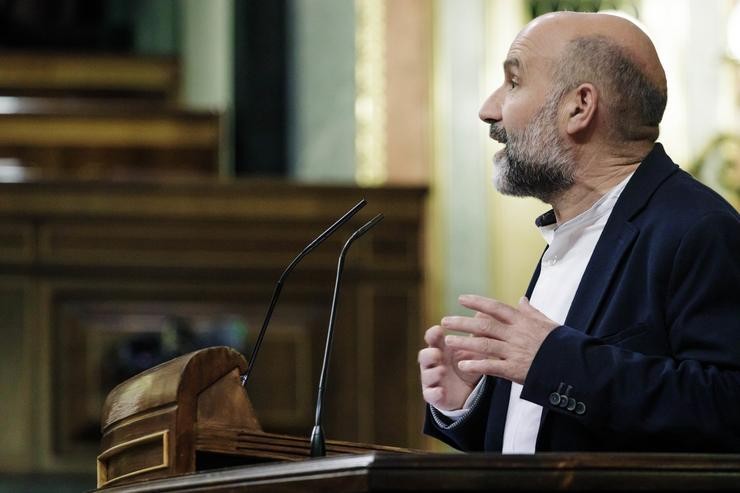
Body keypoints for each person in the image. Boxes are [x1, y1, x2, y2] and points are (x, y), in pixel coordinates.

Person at [419, 11, 740, 453]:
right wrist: (472, 405)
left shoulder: (698, 229)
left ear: (579, 107)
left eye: (513, 83)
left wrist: (554, 361)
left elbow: (726, 406)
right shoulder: (573, 230)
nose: (489, 109)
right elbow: (556, 428)